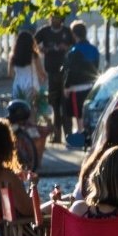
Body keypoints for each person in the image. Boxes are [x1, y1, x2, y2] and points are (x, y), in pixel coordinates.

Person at [34, 14, 74, 143]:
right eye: (53, 17)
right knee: (55, 105)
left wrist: (66, 47)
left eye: (58, 17)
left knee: (66, 105)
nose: (55, 20)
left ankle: (68, 135)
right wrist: (42, 49)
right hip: (51, 73)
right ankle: (57, 136)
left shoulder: (67, 32)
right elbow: (32, 43)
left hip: (66, 73)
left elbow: (75, 46)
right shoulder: (44, 31)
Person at [62, 21, 101, 131]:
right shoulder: (94, 50)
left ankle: (80, 136)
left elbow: (71, 71)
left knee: (78, 114)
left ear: (74, 34)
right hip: (90, 85)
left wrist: (66, 86)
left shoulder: (74, 51)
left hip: (76, 88)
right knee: (86, 111)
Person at [7, 30, 45, 116]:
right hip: (31, 86)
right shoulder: (34, 55)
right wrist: (43, 77)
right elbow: (41, 72)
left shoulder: (13, 56)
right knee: (32, 111)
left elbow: (10, 74)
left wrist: (19, 75)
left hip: (18, 86)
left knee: (19, 111)